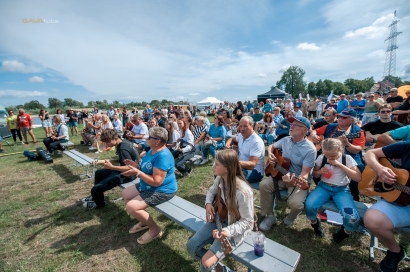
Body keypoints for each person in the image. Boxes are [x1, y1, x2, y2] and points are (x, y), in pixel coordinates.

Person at [186, 149, 253, 272]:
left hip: (234, 228)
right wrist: (207, 204)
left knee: (206, 263)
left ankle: (212, 265)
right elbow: (212, 191)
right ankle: (219, 268)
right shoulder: (220, 178)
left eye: (216, 164)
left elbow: (248, 221)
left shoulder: (243, 191)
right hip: (219, 220)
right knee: (191, 247)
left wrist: (227, 231)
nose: (213, 166)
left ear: (227, 168)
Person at [121, 127, 177, 244]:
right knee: (125, 194)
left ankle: (155, 229)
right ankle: (144, 221)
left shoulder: (163, 156)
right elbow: (147, 167)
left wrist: (137, 173)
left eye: (149, 137)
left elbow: (157, 181)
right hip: (148, 185)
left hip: (162, 190)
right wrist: (136, 165)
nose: (146, 138)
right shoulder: (152, 150)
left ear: (157, 141)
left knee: (131, 207)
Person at [259, 116, 316, 230]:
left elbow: (305, 174)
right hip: (280, 175)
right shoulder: (286, 140)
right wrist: (270, 154)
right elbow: (272, 146)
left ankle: (292, 216)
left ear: (305, 130)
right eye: (291, 124)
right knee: (264, 185)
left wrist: (294, 180)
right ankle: (270, 216)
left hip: (297, 180)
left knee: (296, 203)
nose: (291, 126)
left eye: (296, 125)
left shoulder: (310, 149)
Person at [363, 142, 410, 272]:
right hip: (402, 203)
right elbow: (370, 153)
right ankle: (395, 251)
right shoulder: (407, 146)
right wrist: (379, 169)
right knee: (373, 218)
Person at [305, 138, 361, 242]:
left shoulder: (347, 158)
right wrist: (320, 172)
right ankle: (315, 223)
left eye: (332, 156)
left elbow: (358, 177)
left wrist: (340, 165)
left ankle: (344, 232)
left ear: (341, 149)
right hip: (324, 187)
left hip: (341, 190)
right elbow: (314, 173)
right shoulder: (322, 158)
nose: (329, 158)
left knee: (351, 217)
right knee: (309, 205)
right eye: (327, 155)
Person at [309, 109, 365, 201]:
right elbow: (314, 131)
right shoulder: (330, 126)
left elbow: (356, 150)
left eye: (344, 117)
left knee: (357, 173)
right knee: (317, 167)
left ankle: (352, 198)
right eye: (339, 116)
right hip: (327, 155)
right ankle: (324, 192)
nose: (340, 118)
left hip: (349, 157)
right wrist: (314, 135)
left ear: (352, 120)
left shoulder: (358, 132)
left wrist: (347, 144)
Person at [81, 128, 139, 209]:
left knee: (95, 189)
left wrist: (111, 167)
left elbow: (131, 167)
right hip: (125, 171)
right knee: (99, 173)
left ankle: (99, 204)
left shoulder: (123, 149)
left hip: (128, 175)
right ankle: (95, 197)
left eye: (108, 142)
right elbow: (123, 160)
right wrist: (102, 161)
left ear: (115, 138)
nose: (107, 145)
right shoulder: (124, 142)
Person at [225, 116, 265, 183]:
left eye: (245, 126)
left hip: (254, 171)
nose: (242, 129)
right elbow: (231, 139)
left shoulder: (256, 141)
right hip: (241, 167)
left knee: (228, 174)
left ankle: (227, 192)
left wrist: (233, 163)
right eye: (240, 126)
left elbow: (252, 164)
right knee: (221, 171)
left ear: (252, 126)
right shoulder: (241, 136)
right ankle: (220, 192)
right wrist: (228, 144)